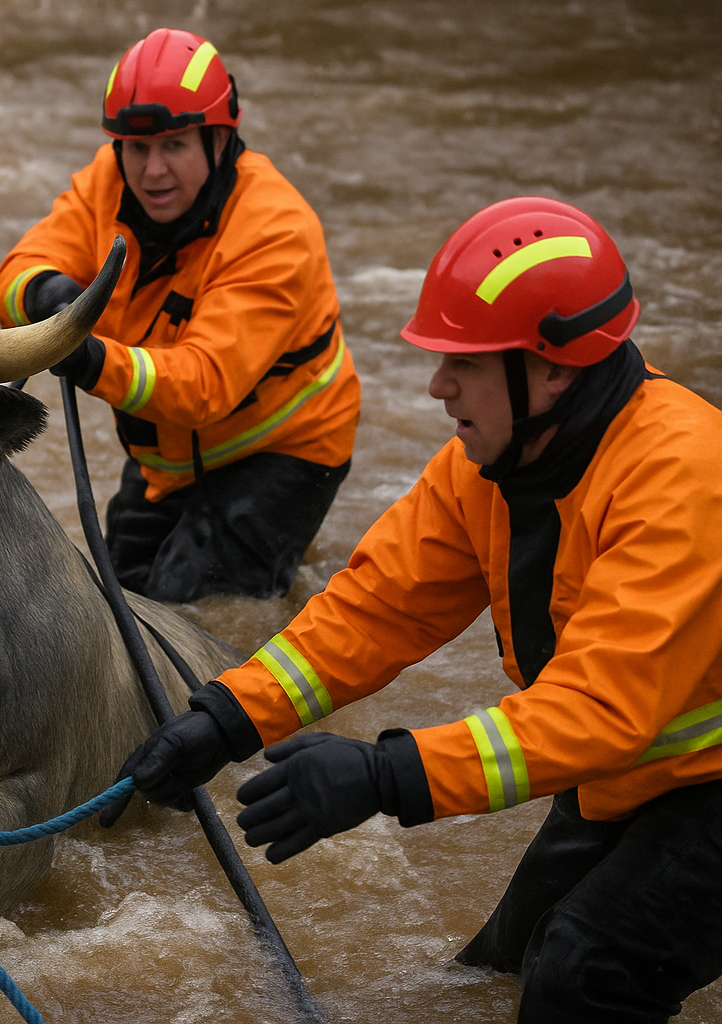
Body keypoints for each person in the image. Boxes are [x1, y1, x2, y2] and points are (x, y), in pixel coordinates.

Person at [110, 196, 722, 1022]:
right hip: (641, 774)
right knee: (490, 980)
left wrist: (384, 775)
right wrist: (225, 719)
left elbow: (598, 710)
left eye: (464, 364)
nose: (437, 386)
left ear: (553, 369)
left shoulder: (684, 477)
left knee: (583, 976)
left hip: (689, 780)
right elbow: (375, 609)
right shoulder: (493, 461)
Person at [0, 27, 360, 601]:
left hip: (283, 450)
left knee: (194, 619)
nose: (152, 171)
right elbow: (15, 275)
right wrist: (50, 296)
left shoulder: (276, 229)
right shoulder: (107, 180)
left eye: (174, 146)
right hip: (170, 457)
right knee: (121, 607)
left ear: (218, 140)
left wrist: (87, 357)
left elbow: (203, 385)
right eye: (137, 148)